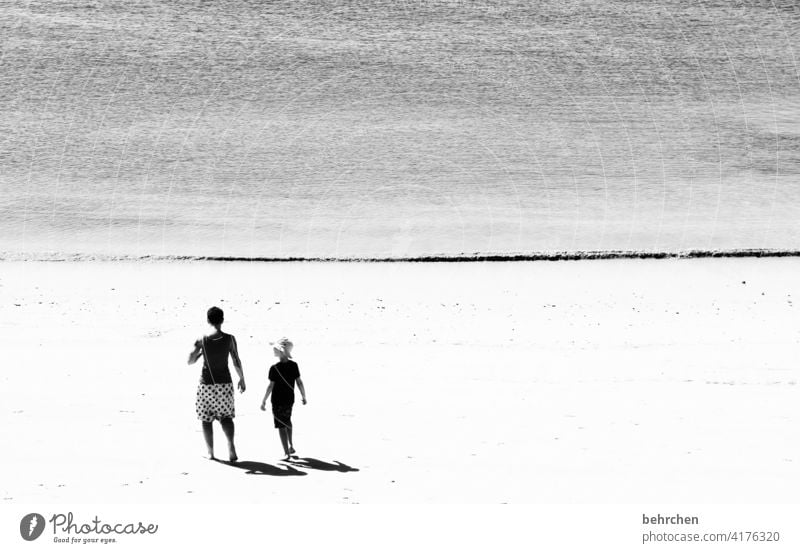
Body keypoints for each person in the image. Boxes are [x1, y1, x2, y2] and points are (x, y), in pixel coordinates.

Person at [187, 306, 246, 462]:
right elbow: (236, 360)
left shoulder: (201, 339)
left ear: (208, 320)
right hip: (225, 383)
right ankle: (231, 447)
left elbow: (190, 361)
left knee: (206, 419)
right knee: (226, 417)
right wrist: (242, 378)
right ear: (222, 320)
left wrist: (201, 353)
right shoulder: (230, 338)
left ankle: (210, 453)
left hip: (206, 384)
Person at [260, 337, 307, 461]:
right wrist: (303, 396)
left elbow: (271, 386)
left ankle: (286, 453)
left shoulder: (274, 368)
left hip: (277, 400)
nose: (273, 350)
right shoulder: (294, 365)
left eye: (275, 349)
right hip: (290, 399)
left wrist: (263, 400)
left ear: (281, 351)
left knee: (280, 425)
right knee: (287, 420)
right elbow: (299, 382)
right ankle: (291, 446)